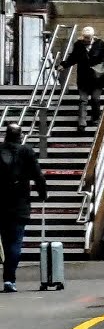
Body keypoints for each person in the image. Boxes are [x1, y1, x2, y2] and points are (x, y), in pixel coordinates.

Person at [0, 123, 48, 292]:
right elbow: (38, 176)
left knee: (5, 243)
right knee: (14, 243)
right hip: (19, 204)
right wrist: (42, 194)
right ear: (20, 135)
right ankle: (9, 280)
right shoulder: (26, 152)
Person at [60, 26, 104, 132]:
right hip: (83, 77)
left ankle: (95, 119)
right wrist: (63, 65)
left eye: (88, 37)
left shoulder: (100, 44)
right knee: (83, 100)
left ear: (92, 36)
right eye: (85, 37)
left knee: (95, 99)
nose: (86, 39)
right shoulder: (78, 45)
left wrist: (101, 67)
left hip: (97, 78)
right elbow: (73, 58)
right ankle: (82, 123)